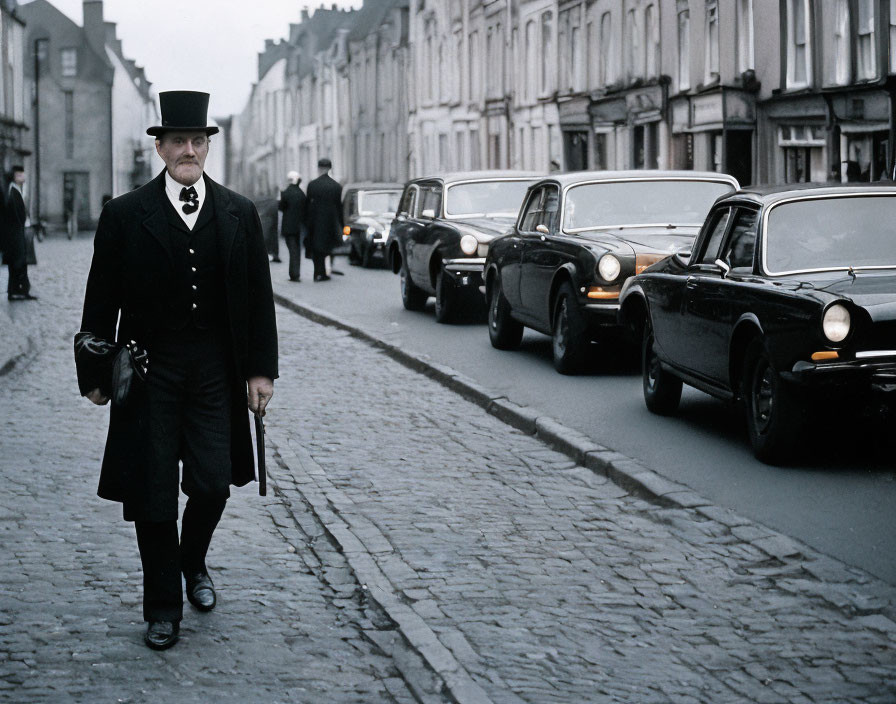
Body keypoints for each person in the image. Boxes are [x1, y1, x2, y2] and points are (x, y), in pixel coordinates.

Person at [75, 91, 278, 651]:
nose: (188, 150)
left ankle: (193, 563)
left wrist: (261, 372)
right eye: (178, 142)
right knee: (154, 491)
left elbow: (259, 298)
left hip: (217, 367)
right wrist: (94, 372)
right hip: (148, 371)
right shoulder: (124, 215)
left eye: (198, 141)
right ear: (160, 148)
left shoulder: (238, 213)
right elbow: (100, 299)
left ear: (207, 147)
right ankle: (162, 607)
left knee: (213, 483)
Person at [304, 157, 344, 281]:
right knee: (328, 247)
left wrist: (306, 222)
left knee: (316, 248)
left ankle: (317, 272)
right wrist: (341, 223)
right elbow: (339, 207)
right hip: (330, 222)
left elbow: (307, 205)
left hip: (315, 221)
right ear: (330, 168)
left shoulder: (312, 185)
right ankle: (326, 270)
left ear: (319, 168)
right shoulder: (336, 186)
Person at [4, 165, 35, 301]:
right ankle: (16, 291)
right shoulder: (13, 192)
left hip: (18, 232)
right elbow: (16, 215)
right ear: (15, 177)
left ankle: (20, 290)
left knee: (20, 262)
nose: (23, 177)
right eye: (20, 175)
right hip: (16, 233)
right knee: (17, 262)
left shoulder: (18, 190)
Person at [278, 171, 306, 282]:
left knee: (292, 250)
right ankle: (296, 273)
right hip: (299, 227)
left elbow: (280, 207)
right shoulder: (301, 193)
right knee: (297, 250)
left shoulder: (285, 193)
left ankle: (294, 274)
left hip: (288, 227)